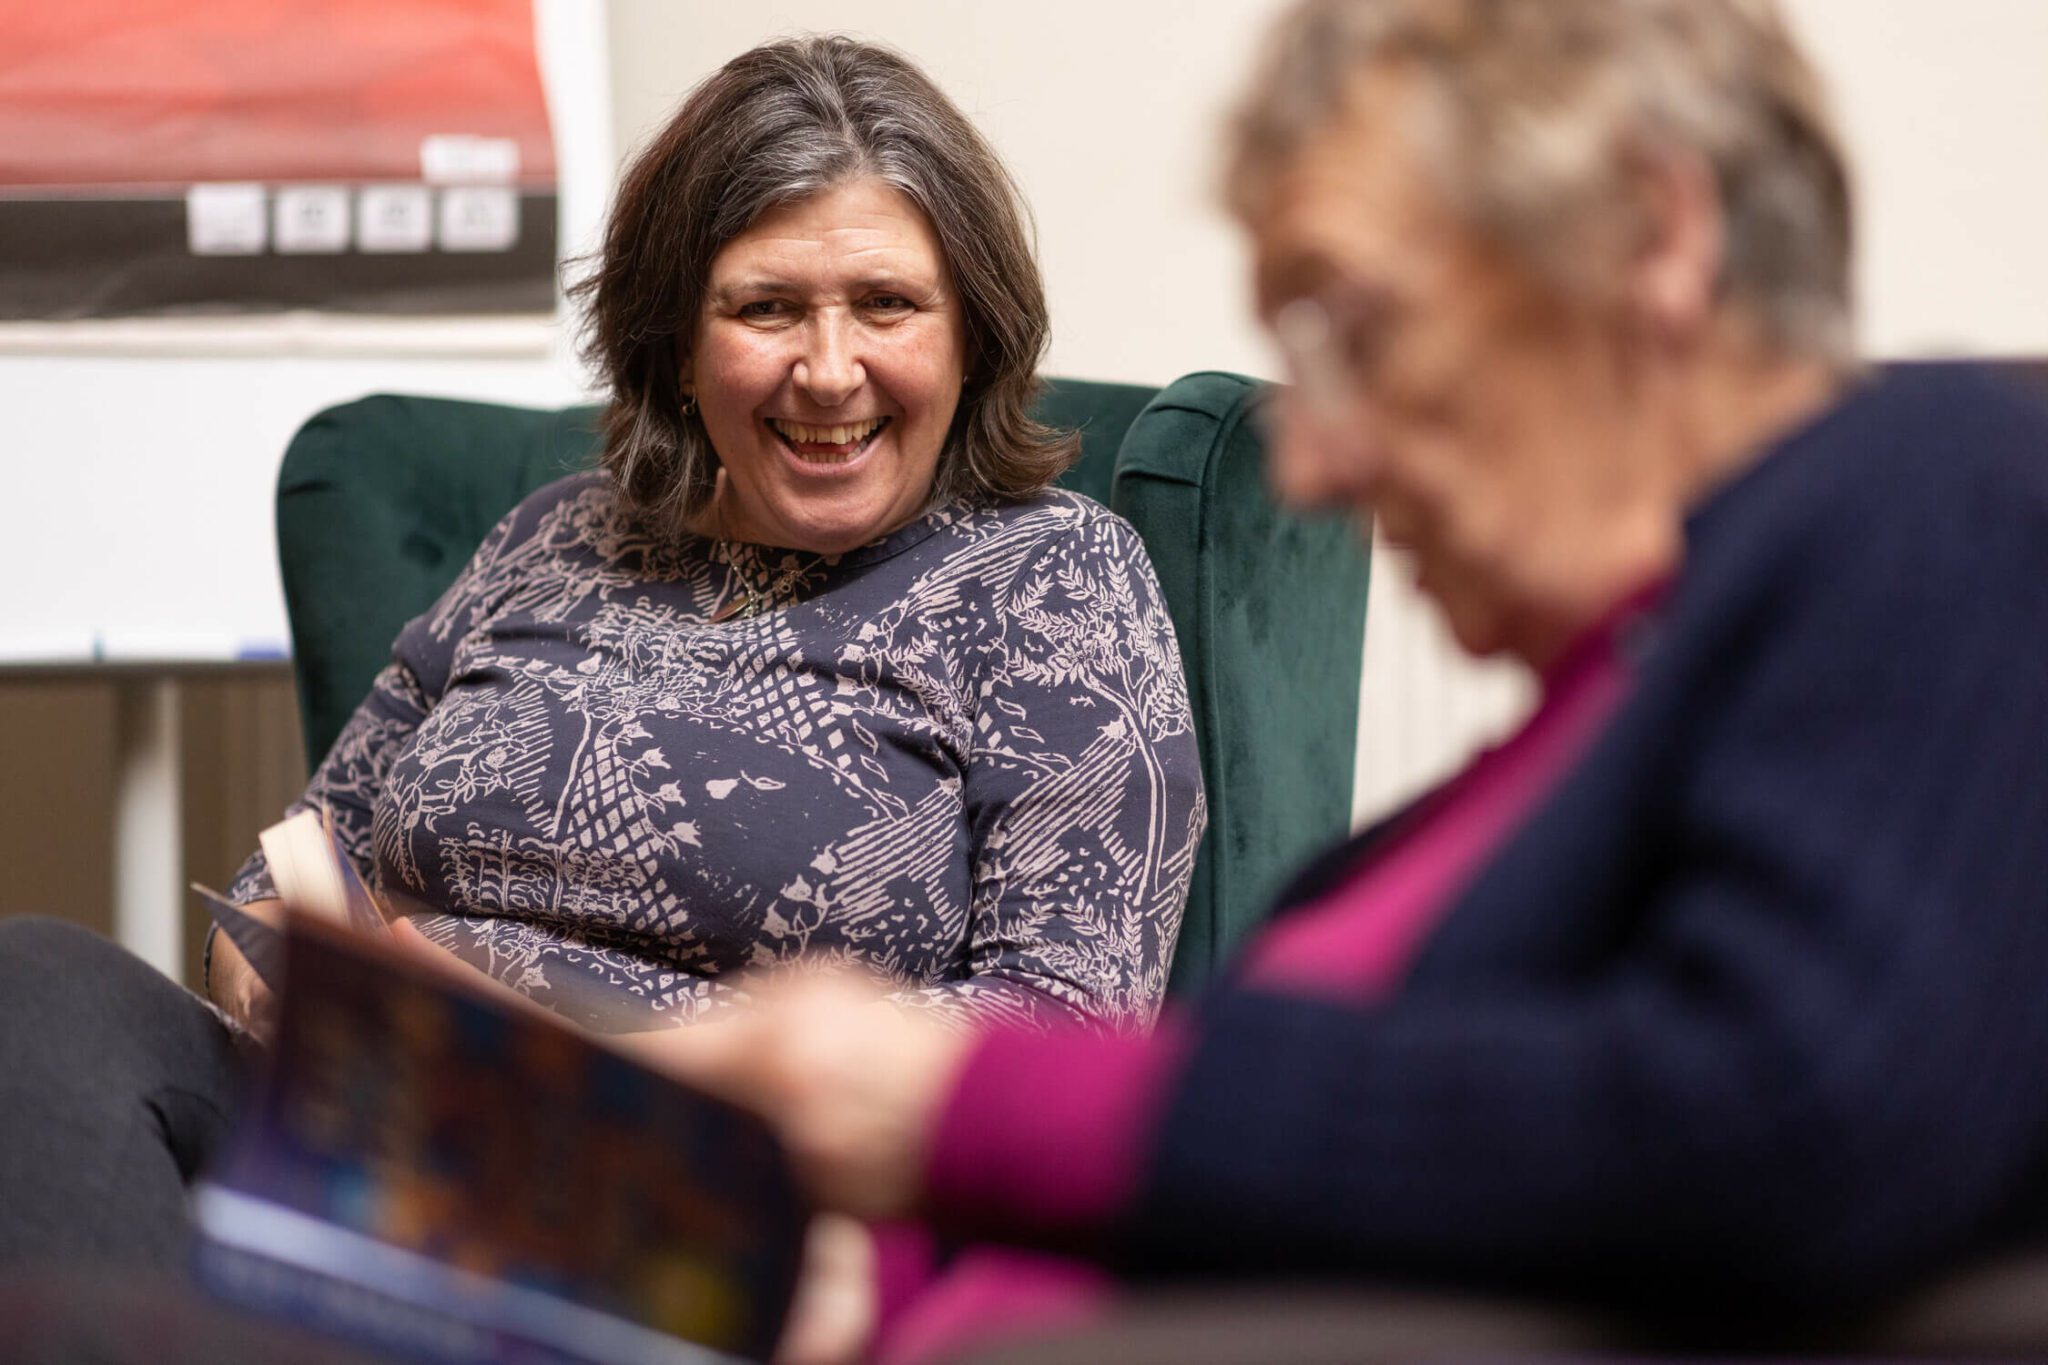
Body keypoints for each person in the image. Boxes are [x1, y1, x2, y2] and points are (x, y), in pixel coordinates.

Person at [637, 2, 2048, 1361]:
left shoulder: (1943, 487)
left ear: (1651, 234)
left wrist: (945, 1100)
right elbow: (1300, 1189)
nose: (1310, 466)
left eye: (1350, 332)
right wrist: (838, 1243)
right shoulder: (1589, 733)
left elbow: (1787, 1119)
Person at [0, 34, 1204, 1271]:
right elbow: (300, 861)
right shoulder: (554, 535)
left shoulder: (1053, 578)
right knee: (37, 981)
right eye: (765, 308)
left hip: (694, 1179)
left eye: (887, 305)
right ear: (678, 343)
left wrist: (543, 1066)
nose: (830, 370)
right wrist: (267, 962)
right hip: (357, 1118)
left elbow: (1054, 1038)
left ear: (970, 333)